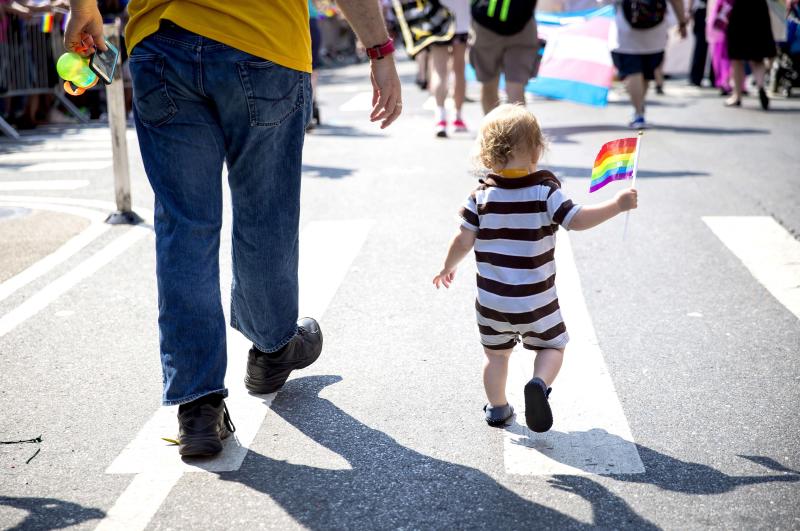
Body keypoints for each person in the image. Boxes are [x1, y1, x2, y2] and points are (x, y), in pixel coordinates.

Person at [65, 0, 401, 457]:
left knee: (184, 227)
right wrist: (379, 50)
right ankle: (272, 347)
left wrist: (82, 7)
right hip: (265, 42)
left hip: (161, 42)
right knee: (266, 214)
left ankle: (198, 406)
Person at [432, 104, 638, 431]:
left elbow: (461, 241)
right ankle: (539, 384)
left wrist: (447, 267)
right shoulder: (545, 192)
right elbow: (578, 220)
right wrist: (617, 204)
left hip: (492, 302)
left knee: (496, 357)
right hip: (536, 301)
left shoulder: (480, 196)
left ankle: (498, 408)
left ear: (486, 156)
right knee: (552, 345)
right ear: (537, 151)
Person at [609, 0, 688, 128]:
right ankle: (640, 109)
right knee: (646, 74)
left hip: (625, 33)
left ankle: (638, 113)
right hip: (656, 33)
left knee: (633, 72)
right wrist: (682, 22)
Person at [469, 0, 538, 114]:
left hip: (486, 23)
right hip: (520, 22)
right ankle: (517, 130)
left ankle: (493, 130)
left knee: (489, 84)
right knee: (515, 85)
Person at [723, 0, 775, 109]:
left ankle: (737, 96)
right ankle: (760, 86)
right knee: (757, 57)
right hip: (759, 9)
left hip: (738, 10)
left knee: (736, 57)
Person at [430, 0, 470, 137]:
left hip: (437, 23)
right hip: (461, 22)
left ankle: (440, 118)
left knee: (439, 70)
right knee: (459, 70)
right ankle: (457, 118)